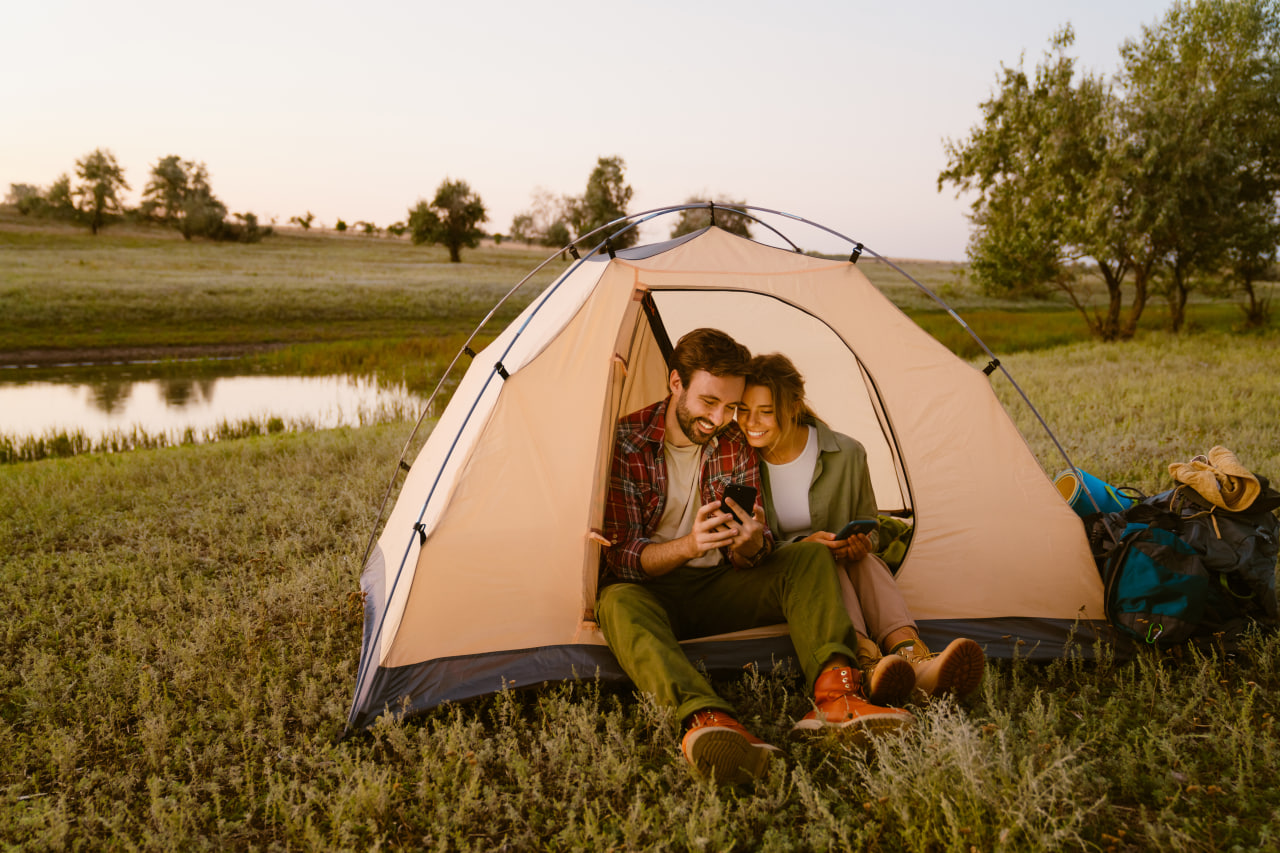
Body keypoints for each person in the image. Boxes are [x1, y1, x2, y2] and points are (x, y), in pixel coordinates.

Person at [597, 328, 912, 784]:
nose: (721, 418)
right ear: (675, 383)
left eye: (731, 406)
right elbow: (622, 556)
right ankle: (708, 722)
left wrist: (749, 543)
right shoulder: (627, 441)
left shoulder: (733, 438)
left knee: (808, 558)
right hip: (652, 593)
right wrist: (689, 545)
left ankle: (837, 698)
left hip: (722, 587)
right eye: (709, 403)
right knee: (615, 602)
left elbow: (756, 547)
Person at [739, 352, 985, 704]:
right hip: (785, 576)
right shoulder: (739, 462)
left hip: (847, 565)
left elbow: (870, 526)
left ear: (793, 406)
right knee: (818, 562)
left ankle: (912, 656)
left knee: (861, 561)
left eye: (764, 410)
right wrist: (803, 545)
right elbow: (747, 545)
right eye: (744, 410)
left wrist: (861, 543)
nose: (751, 422)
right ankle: (867, 662)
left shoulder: (848, 453)